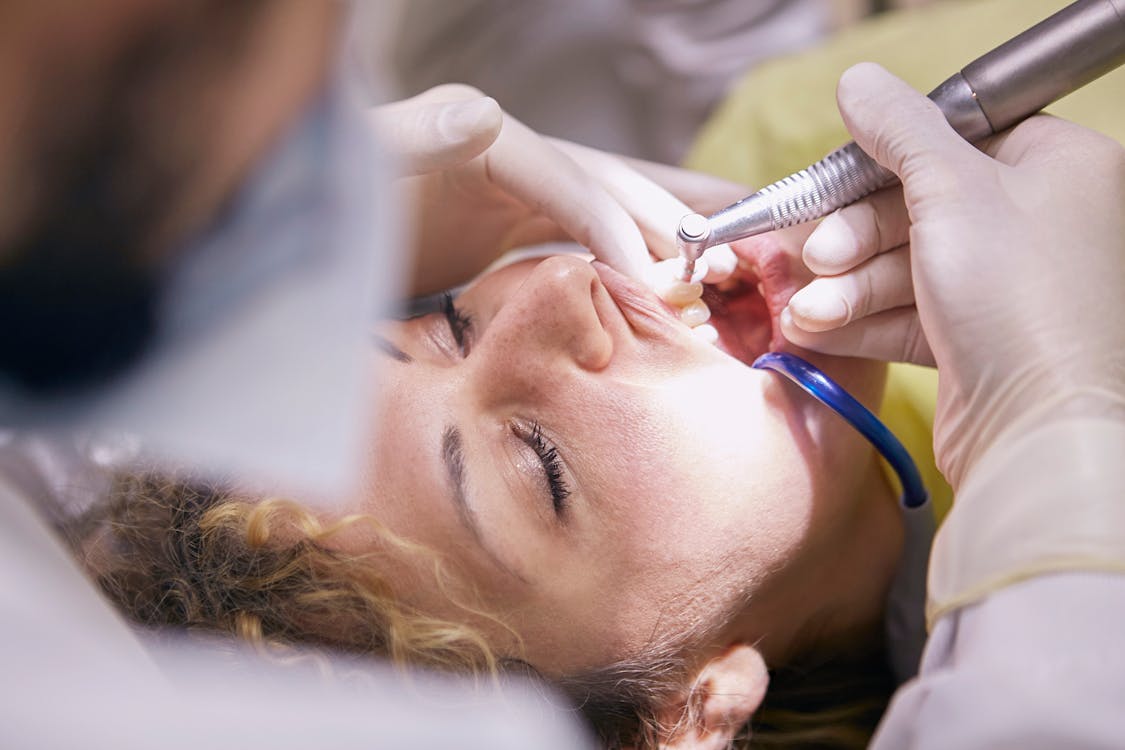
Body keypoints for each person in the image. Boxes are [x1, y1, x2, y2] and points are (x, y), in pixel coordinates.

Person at [66, 58, 1125, 750]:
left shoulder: (786, 129)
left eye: (447, 322)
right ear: (686, 712)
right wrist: (1070, 424)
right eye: (542, 463)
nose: (561, 287)